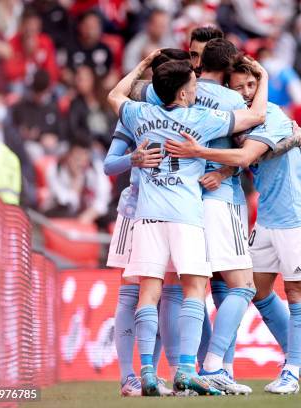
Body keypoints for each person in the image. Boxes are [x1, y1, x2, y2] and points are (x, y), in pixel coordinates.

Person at [106, 51, 268, 396]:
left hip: (147, 216)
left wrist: (141, 65)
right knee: (195, 289)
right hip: (186, 216)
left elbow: (114, 96)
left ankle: (148, 373)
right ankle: (184, 370)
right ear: (182, 93)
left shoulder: (139, 113)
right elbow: (256, 114)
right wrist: (262, 77)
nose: (197, 88)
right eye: (193, 85)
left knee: (148, 293)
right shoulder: (201, 119)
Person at [164, 55, 301, 394]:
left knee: (295, 293)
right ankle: (299, 358)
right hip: (266, 219)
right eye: (239, 87)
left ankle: (289, 371)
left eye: (252, 85)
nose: (246, 92)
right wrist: (223, 170)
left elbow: (247, 157)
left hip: (296, 217)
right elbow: (245, 158)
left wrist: (198, 153)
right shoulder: (242, 123)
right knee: (257, 290)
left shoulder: (274, 115)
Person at [140, 38, 256, 394]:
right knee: (237, 286)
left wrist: (146, 65)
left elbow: (122, 97)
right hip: (215, 200)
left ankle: (175, 370)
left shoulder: (149, 101)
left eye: (194, 56)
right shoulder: (225, 103)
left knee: (184, 288)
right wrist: (262, 80)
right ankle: (212, 365)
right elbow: (256, 122)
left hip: (167, 204)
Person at [103, 48, 190, 398]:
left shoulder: (190, 109)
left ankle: (152, 374)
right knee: (131, 292)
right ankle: (129, 377)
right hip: (134, 212)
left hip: (170, 214)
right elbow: (110, 166)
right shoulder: (135, 111)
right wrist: (133, 158)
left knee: (166, 294)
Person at [41, 138, 111, 224]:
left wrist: (88, 215)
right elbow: (65, 201)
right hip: (61, 211)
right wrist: (77, 182)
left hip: (89, 214)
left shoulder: (97, 169)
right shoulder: (55, 169)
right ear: (68, 156)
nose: (81, 163)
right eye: (77, 158)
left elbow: (103, 199)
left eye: (85, 159)